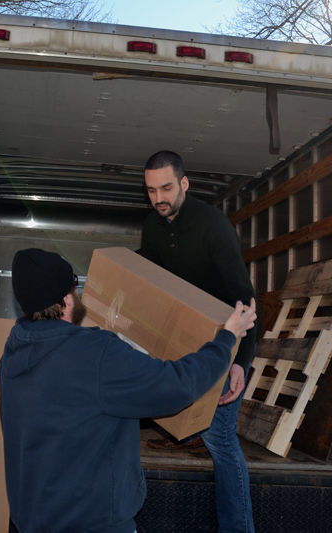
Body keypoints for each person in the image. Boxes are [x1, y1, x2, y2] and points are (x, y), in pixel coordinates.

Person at [0, 247, 257, 533]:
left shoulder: (13, 353)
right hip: (91, 524)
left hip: (30, 520)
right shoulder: (94, 354)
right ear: (65, 300)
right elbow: (177, 386)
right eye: (74, 287)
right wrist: (226, 340)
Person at [140, 150, 260, 533]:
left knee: (220, 439)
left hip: (224, 346)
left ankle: (239, 529)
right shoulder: (153, 228)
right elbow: (154, 285)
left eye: (167, 188)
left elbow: (246, 298)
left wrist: (241, 361)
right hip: (183, 349)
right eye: (151, 190)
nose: (159, 197)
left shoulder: (213, 225)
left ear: (184, 184)